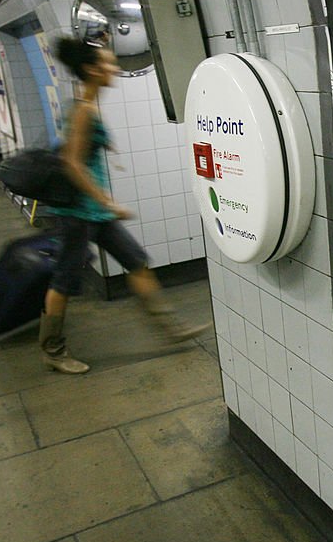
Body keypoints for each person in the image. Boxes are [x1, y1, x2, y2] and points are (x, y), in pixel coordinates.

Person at [39, 37, 209, 374]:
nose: (114, 68)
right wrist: (107, 201)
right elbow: (72, 162)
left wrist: (104, 204)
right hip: (77, 214)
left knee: (137, 262)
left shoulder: (87, 103)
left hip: (95, 213)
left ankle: (171, 328)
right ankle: (53, 350)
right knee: (63, 281)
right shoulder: (84, 110)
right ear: (91, 69)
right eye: (108, 63)